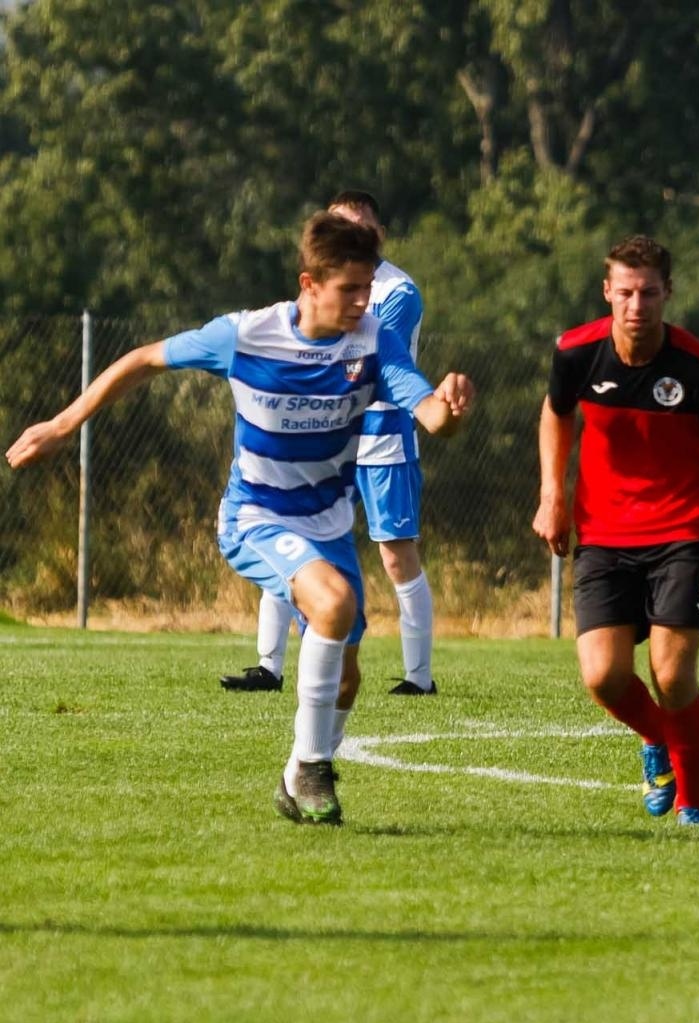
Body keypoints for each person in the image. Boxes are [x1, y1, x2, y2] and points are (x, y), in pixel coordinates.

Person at [5, 213, 475, 825]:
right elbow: (145, 359)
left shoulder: (375, 341)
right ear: (310, 283)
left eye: (368, 289)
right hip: (255, 516)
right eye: (349, 290)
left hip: (329, 524)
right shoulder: (247, 335)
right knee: (332, 604)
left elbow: (432, 417)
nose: (363, 302)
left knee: (346, 683)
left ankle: (294, 777)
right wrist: (64, 424)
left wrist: (453, 407)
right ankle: (310, 768)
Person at [532, 235, 699, 827]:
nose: (637, 305)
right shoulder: (576, 353)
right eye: (626, 292)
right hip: (603, 536)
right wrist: (552, 494)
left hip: (686, 533)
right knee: (604, 676)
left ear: (667, 294)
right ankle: (659, 741)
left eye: (649, 293)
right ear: (607, 292)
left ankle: (695, 804)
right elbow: (556, 414)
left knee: (671, 672)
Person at [222, 190, 437, 696]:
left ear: (378, 232)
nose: (351, 234)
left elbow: (369, 357)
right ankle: (269, 666)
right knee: (291, 539)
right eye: (340, 225)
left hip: (382, 436)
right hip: (326, 436)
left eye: (361, 226)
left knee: (395, 554)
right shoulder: (327, 286)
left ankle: (418, 677)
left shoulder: (397, 291)